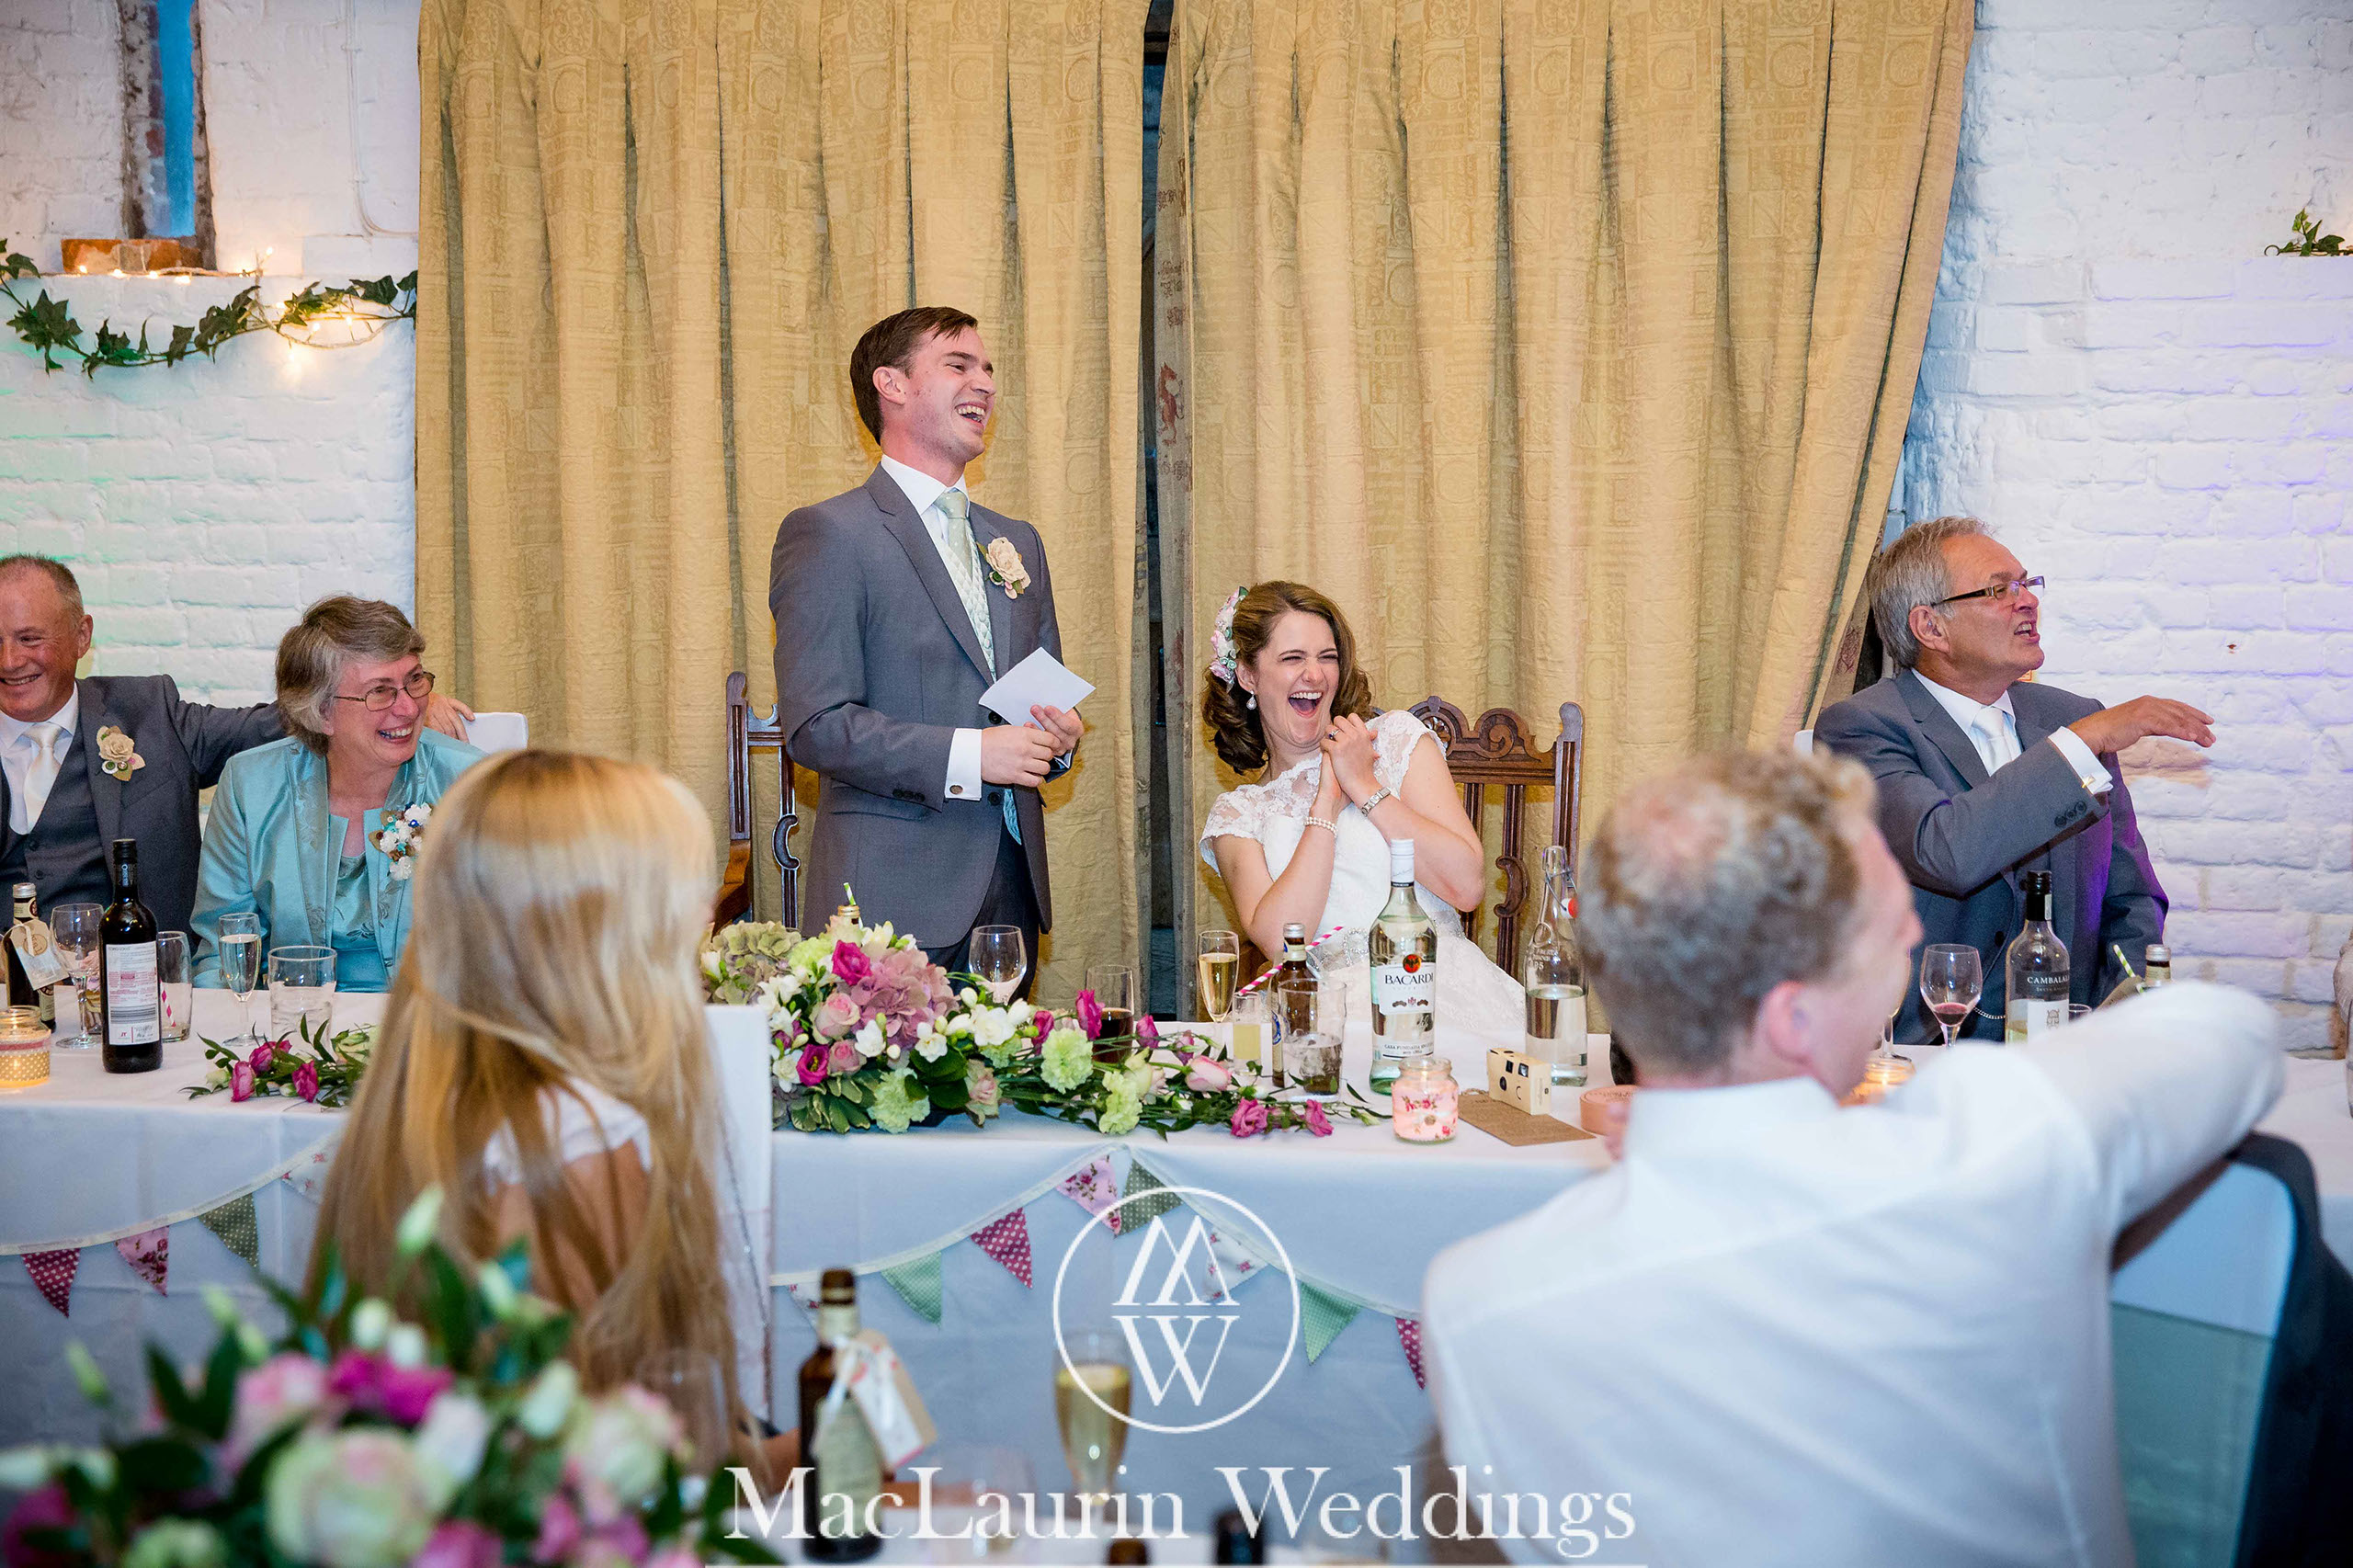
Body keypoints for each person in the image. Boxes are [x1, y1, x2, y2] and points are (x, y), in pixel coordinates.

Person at [1423, 748, 2280, 1566]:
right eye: (1882, 921)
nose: (1913, 923)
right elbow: (2232, 1032)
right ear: (1793, 1020)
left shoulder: (1476, 1304)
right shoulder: (1991, 1142)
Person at [312, 749, 756, 1462]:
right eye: (671, 901)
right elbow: (610, 1473)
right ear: (585, 940)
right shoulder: (576, 1140)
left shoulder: (430, 1103)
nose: (705, 917)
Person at [769, 306, 1083, 978]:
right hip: (890, 902)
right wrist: (977, 752)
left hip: (1012, 894)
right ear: (893, 385)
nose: (986, 384)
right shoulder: (830, 534)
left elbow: (1035, 690)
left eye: (989, 369)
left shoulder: (1016, 540)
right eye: (959, 365)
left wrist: (1055, 737)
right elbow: (818, 726)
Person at [1813, 516, 2205, 1040]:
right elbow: (1946, 849)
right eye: (1999, 589)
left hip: (2069, 1043)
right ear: (1931, 627)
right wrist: (2079, 744)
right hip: (1930, 1046)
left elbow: (2129, 898)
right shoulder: (1862, 728)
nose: (2026, 601)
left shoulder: (2069, 716)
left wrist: (2120, 1015)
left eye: (2027, 584)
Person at [0, 554, 471, 934]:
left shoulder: (149, 715)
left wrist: (393, 702)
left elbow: (278, 720)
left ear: (82, 637)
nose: (10, 660)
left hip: (132, 989)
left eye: (29, 638)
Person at [1198, 581, 1520, 1044]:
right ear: (1248, 675)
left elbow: (1467, 887)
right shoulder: (1239, 813)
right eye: (1293, 659)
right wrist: (1327, 802)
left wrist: (1365, 786)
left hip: (1437, 988)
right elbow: (1281, 942)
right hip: (1328, 1018)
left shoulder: (1393, 740)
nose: (1314, 675)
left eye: (1326, 657)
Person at [189, 597, 483, 991]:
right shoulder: (251, 785)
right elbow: (221, 950)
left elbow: (506, 944)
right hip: (291, 1027)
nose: (409, 709)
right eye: (380, 692)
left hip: (428, 1029)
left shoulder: (467, 782)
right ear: (320, 712)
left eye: (414, 680)